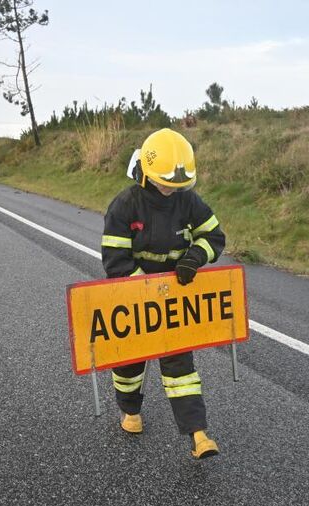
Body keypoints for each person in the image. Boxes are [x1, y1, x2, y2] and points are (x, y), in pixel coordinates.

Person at [101, 128, 225, 459]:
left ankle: (199, 435)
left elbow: (214, 237)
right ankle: (130, 411)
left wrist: (194, 257)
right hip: (133, 297)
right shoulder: (125, 205)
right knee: (128, 364)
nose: (172, 190)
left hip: (173, 301)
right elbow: (115, 259)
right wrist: (145, 288)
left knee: (181, 368)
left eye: (178, 185)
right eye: (166, 183)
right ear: (149, 173)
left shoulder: (188, 201)